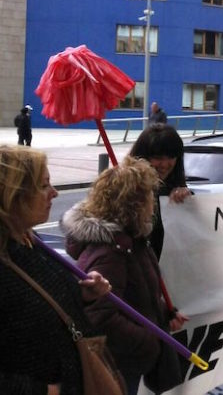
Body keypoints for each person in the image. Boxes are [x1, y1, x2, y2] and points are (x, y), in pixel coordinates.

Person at [61, 157, 187, 395]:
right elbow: (100, 316)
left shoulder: (132, 241)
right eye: (149, 197)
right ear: (134, 204)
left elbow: (139, 295)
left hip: (127, 361)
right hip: (119, 364)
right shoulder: (111, 253)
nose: (153, 204)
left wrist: (165, 314)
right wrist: (148, 341)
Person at [0, 146, 112, 395]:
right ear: (12, 194)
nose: (54, 193)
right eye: (43, 186)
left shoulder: (29, 240)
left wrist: (83, 294)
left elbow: (36, 302)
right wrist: (44, 391)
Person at [128, 124, 192, 259]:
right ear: (143, 156)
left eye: (171, 157)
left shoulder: (174, 189)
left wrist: (188, 200)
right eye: (158, 158)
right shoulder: (125, 191)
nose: (165, 164)